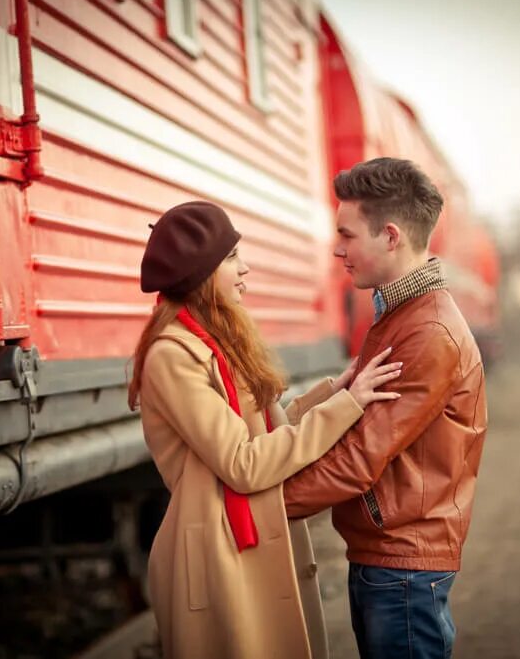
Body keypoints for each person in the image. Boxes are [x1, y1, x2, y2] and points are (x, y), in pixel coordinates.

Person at [128, 200, 401, 659]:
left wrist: (336, 390)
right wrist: (348, 408)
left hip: (242, 544)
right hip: (218, 559)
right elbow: (244, 464)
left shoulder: (215, 339)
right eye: (232, 258)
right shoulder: (173, 357)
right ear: (200, 272)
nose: (245, 268)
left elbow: (264, 435)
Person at [283, 158, 488, 659]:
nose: (337, 249)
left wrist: (259, 504)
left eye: (347, 235)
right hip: (390, 556)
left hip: (403, 567)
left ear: (390, 236)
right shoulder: (401, 314)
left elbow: (358, 458)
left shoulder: (426, 333)